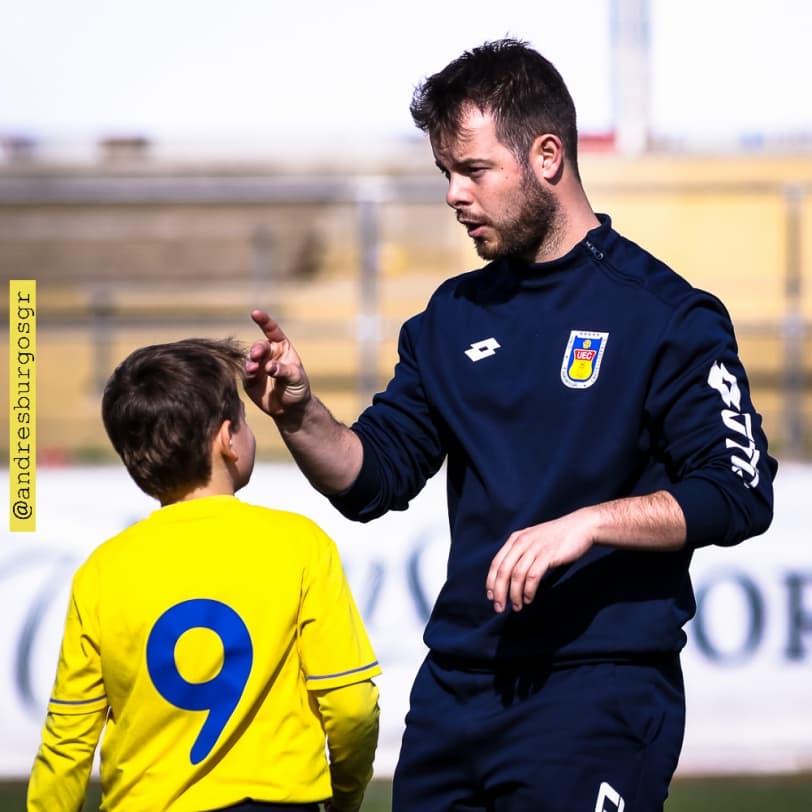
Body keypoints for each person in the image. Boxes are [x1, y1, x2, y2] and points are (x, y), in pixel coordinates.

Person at [243, 38, 777, 812]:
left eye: (473, 170)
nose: (454, 195)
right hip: (454, 695)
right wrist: (299, 414)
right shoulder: (450, 318)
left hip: (597, 693)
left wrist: (588, 524)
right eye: (445, 174)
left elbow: (738, 492)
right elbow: (371, 479)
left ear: (547, 156)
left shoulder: (666, 315)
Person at [27, 338, 381, 812]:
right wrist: (346, 796)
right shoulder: (300, 544)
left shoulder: (100, 572)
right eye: (244, 420)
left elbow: (67, 742)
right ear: (227, 439)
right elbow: (352, 705)